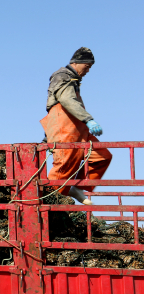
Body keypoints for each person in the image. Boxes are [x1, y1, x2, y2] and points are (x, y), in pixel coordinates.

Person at [40, 47, 111, 204]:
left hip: (78, 129)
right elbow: (67, 100)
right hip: (65, 129)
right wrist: (88, 119)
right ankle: (50, 201)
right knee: (64, 167)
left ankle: (77, 187)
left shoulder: (73, 80)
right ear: (77, 62)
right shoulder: (62, 76)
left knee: (102, 156)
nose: (88, 71)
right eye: (87, 66)